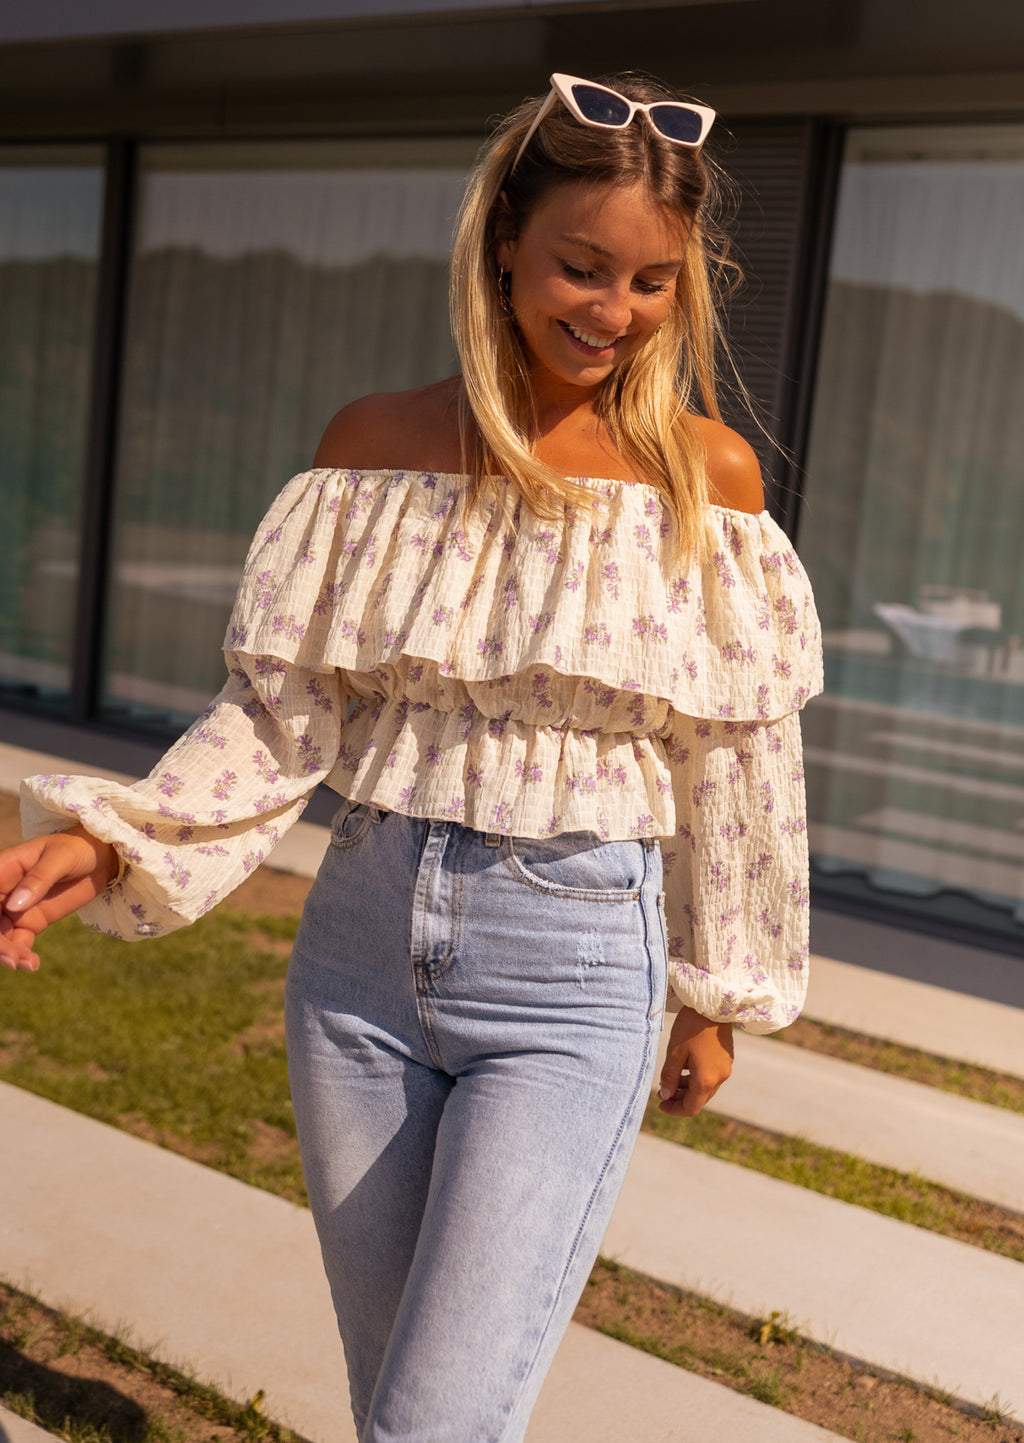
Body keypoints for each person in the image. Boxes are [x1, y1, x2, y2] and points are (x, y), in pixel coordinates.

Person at [0, 72, 822, 1442]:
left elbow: (740, 771)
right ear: (503, 241)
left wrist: (717, 991)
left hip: (573, 973)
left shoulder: (705, 482)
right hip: (361, 956)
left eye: (652, 283)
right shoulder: (370, 456)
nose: (611, 312)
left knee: (433, 1425)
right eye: (580, 266)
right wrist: (104, 837)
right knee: (401, 1403)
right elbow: (281, 721)